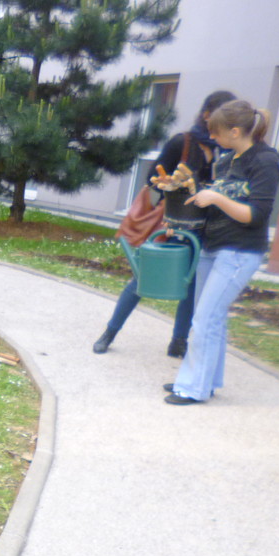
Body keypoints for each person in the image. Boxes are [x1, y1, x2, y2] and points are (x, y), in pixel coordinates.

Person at [93, 90, 236, 357]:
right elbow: (151, 179)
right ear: (207, 115)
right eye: (222, 119)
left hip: (204, 231)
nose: (225, 128)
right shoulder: (181, 142)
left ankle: (178, 341)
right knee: (142, 278)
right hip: (171, 226)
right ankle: (110, 332)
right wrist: (173, 187)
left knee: (191, 287)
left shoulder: (221, 151)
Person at [164, 100, 279, 405]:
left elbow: (256, 214)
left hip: (240, 251)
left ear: (234, 130)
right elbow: (212, 205)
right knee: (209, 318)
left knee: (205, 318)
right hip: (212, 246)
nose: (212, 138)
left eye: (215, 132)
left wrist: (215, 196)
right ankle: (204, 380)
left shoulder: (265, 159)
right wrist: (184, 191)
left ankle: (193, 388)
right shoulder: (227, 161)